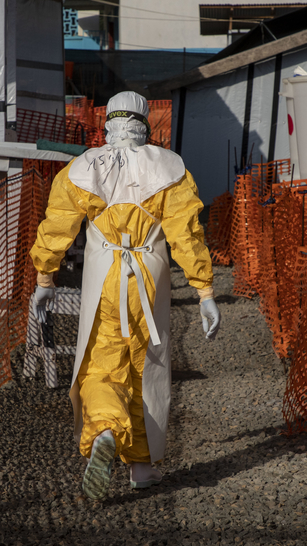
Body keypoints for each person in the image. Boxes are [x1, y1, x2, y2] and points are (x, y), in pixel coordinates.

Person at [29, 91, 221, 500]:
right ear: (144, 123)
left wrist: (45, 280)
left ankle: (104, 428)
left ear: (108, 125)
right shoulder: (170, 169)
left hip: (104, 276)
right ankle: (142, 466)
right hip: (149, 277)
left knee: (102, 364)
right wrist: (204, 290)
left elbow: (56, 227)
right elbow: (187, 235)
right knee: (147, 368)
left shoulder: (82, 169)